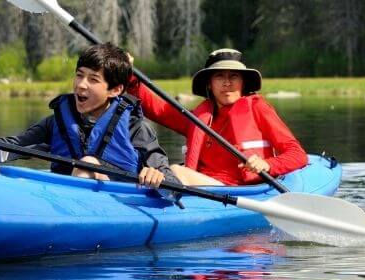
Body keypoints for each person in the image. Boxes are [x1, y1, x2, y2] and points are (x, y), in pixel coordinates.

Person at [0, 43, 177, 188]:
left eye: (93, 80)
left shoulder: (135, 128)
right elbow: (10, 148)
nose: (81, 85)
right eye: (79, 75)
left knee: (88, 162)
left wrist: (157, 178)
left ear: (115, 90)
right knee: (84, 164)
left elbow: (170, 182)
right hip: (66, 201)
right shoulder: (57, 123)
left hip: (122, 203)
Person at [127, 48, 307, 186]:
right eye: (219, 76)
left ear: (243, 83)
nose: (227, 82)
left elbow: (297, 155)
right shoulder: (201, 116)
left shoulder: (258, 108)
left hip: (238, 190)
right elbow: (159, 110)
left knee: (175, 171)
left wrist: (267, 165)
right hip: (206, 188)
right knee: (158, 170)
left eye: (234, 76)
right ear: (210, 84)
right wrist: (131, 77)